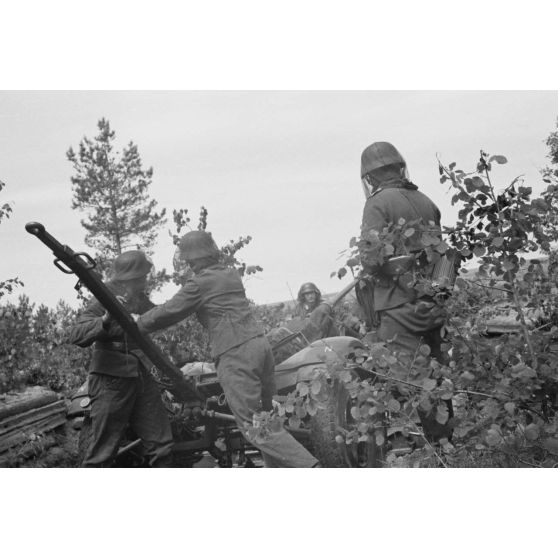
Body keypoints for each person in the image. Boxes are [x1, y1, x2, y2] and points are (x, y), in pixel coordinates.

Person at [136, 230, 319, 467]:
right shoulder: (229, 274)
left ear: (193, 258)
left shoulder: (200, 283)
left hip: (236, 353)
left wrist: (136, 322)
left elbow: (169, 312)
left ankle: (314, 468)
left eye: (188, 260)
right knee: (267, 422)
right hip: (259, 347)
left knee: (253, 427)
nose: (188, 264)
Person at [358, 141, 451, 439]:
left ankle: (424, 452)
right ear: (399, 167)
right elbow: (442, 254)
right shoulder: (426, 200)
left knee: (407, 384)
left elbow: (370, 257)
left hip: (398, 307)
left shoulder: (377, 203)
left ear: (370, 177)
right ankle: (450, 445)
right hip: (432, 302)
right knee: (438, 378)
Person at [68, 251, 174, 467]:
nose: (145, 280)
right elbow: (76, 334)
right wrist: (106, 318)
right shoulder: (103, 297)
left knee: (161, 446)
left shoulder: (138, 298)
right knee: (103, 452)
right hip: (110, 379)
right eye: (142, 277)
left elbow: (157, 315)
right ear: (130, 278)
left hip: (140, 376)